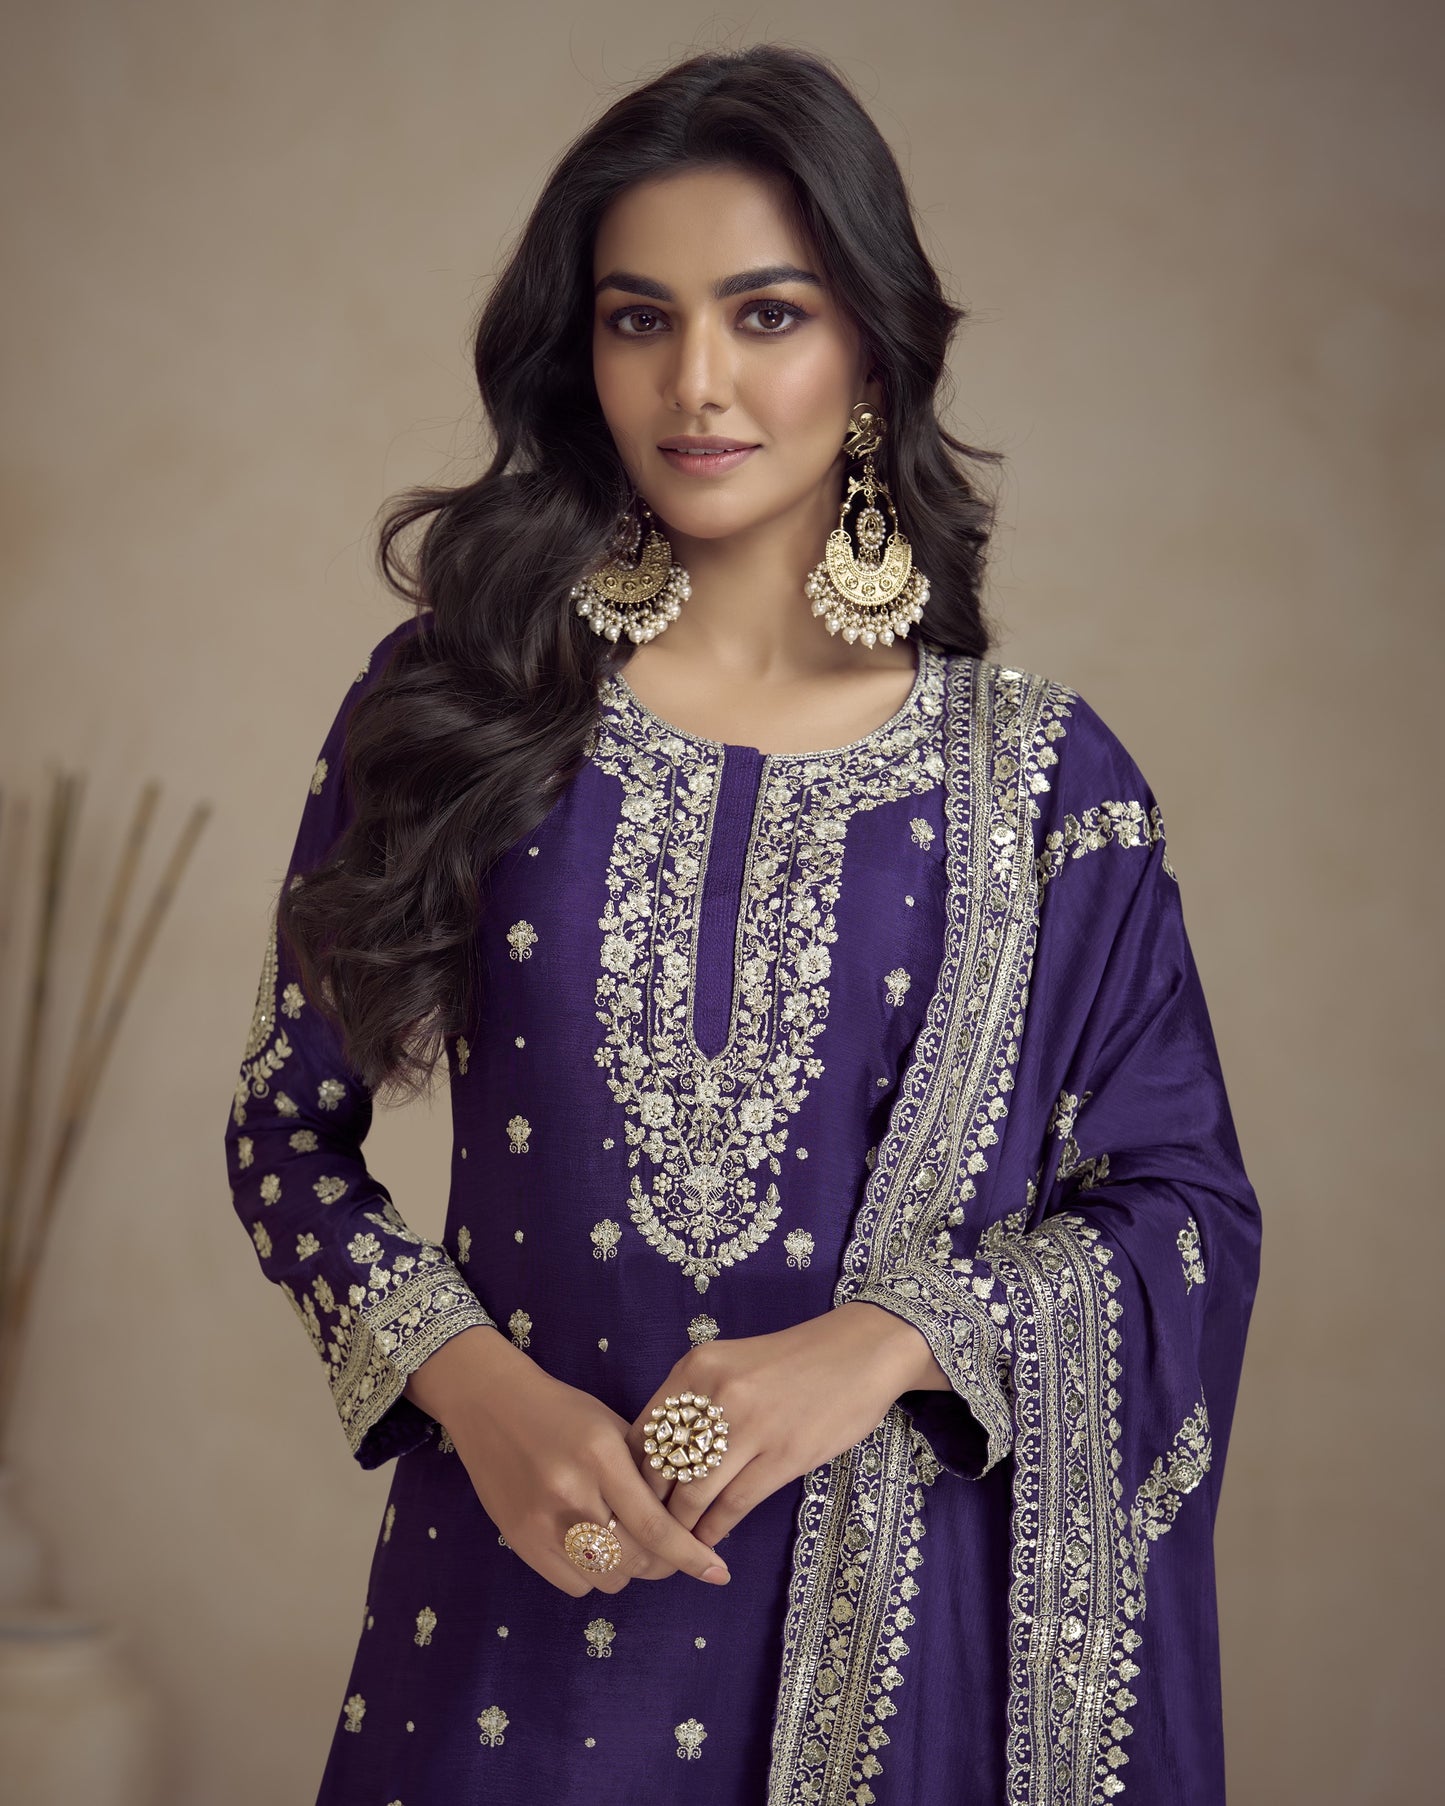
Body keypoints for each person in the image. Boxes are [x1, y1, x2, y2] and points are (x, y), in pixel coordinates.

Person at [223, 43, 1260, 1806]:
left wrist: (882, 1346)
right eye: (640, 320)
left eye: (764, 315)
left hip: (899, 1665)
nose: (694, 383)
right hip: (508, 1625)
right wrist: (477, 1387)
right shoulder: (459, 702)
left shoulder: (1040, 785)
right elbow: (282, 1138)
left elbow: (1181, 1208)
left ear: (867, 346)